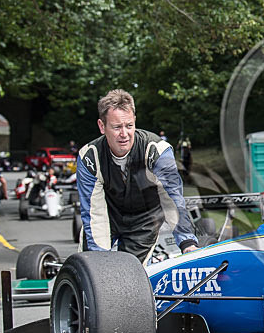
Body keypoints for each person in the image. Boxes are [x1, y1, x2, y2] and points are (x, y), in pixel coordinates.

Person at [77, 89, 198, 264]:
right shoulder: (89, 157)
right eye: (117, 127)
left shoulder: (157, 151)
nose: (124, 134)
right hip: (107, 215)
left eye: (129, 125)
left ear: (134, 121)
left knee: (132, 276)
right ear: (102, 126)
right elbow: (94, 213)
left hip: (144, 221)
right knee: (93, 268)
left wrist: (187, 242)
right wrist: (98, 264)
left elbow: (172, 200)